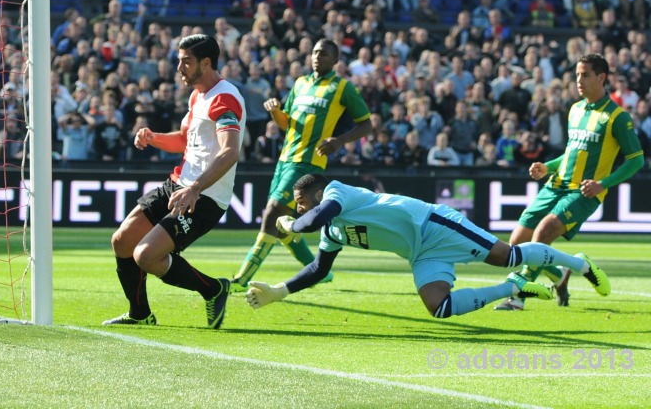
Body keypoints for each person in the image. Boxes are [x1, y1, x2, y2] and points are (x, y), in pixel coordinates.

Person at [245, 174, 611, 319]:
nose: (299, 208)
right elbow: (320, 269)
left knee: (507, 255)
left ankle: (579, 264)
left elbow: (311, 220)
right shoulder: (331, 230)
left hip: (433, 225)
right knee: (440, 307)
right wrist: (280, 290)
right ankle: (515, 287)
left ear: (316, 193)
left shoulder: (338, 192)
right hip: (420, 253)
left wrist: (293, 224)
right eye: (296, 206)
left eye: (301, 201)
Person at [103, 35, 246, 329]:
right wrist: (153, 137)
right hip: (179, 185)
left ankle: (212, 289)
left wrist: (195, 188)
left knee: (145, 255)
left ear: (206, 63)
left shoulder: (224, 98)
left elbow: (230, 152)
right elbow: (184, 140)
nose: (178, 67)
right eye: (179, 60)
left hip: (203, 196)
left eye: (186, 61)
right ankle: (140, 314)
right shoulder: (197, 95)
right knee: (122, 241)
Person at [495, 54, 644, 311]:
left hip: (584, 192)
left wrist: (603, 184)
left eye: (585, 75)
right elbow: (572, 151)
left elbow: (636, 160)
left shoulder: (617, 117)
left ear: (601, 78)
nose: (579, 80)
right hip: (556, 184)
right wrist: (547, 167)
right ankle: (560, 274)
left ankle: (517, 294)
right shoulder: (575, 110)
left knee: (544, 231)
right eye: (577, 75)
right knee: (517, 244)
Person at [231, 39, 372, 292]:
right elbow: (287, 123)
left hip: (309, 160)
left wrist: (340, 141)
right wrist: (275, 111)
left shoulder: (342, 88)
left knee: (273, 212)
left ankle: (241, 279)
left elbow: (366, 124)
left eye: (324, 53)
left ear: (335, 60)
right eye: (316, 51)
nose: (318, 56)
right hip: (285, 158)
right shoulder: (300, 83)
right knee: (282, 221)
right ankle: (319, 271)